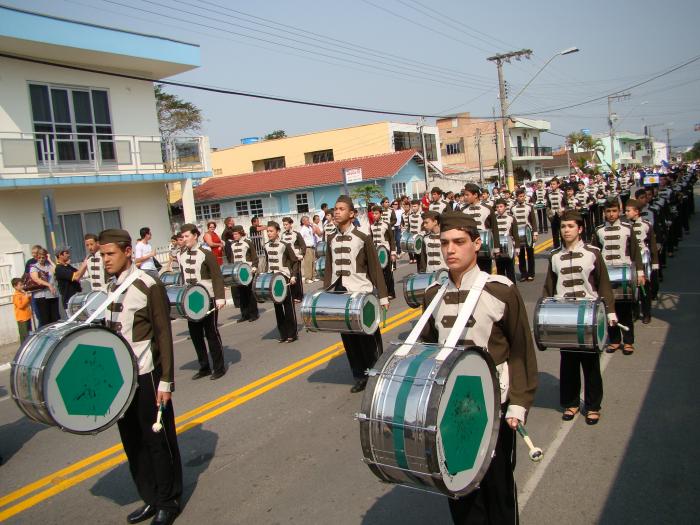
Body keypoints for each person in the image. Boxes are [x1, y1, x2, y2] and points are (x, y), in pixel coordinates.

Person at [419, 212, 538, 525]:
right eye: (444, 243)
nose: (450, 250)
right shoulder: (433, 295)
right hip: (450, 409)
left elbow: (522, 351)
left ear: (476, 243)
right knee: (458, 489)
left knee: (498, 491)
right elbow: (427, 354)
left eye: (459, 242)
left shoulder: (501, 291)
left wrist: (519, 404)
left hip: (494, 407)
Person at [98, 229, 182, 525]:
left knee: (157, 442)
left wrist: (166, 380)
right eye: (102, 255)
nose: (105, 260)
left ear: (127, 252)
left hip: (147, 376)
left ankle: (168, 501)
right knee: (132, 442)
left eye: (110, 254)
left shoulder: (148, 285)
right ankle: (150, 497)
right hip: (119, 381)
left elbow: (163, 335)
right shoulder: (111, 287)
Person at [543, 210, 616, 425]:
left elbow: (603, 283)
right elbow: (548, 286)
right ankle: (571, 402)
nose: (566, 230)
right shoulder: (555, 256)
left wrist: (610, 311)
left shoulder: (593, 253)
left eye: (571, 226)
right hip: (563, 315)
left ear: (580, 229)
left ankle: (593, 405)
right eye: (563, 227)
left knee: (591, 363)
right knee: (568, 362)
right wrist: (544, 316)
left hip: (588, 314)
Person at [324, 195, 389, 393]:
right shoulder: (331, 239)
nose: (336, 212)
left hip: (362, 292)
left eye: (341, 209)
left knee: (368, 337)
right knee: (349, 339)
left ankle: (378, 375)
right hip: (340, 293)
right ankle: (359, 376)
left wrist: (383, 296)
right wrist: (326, 294)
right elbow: (328, 269)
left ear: (352, 214)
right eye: (335, 208)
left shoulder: (363, 238)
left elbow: (375, 268)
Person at [593, 201, 644, 355]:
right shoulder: (599, 231)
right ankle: (615, 340)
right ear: (604, 212)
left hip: (625, 275)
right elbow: (594, 254)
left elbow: (635, 252)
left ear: (619, 211)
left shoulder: (627, 229)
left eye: (614, 211)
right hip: (606, 275)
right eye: (608, 211)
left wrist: (640, 272)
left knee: (625, 308)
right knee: (609, 307)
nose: (611, 214)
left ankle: (628, 341)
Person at [178, 224, 227, 380]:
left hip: (208, 298)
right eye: (183, 237)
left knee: (211, 333)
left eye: (187, 236)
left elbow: (217, 276)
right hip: (190, 301)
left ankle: (219, 367)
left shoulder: (206, 253)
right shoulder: (182, 255)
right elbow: (182, 277)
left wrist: (220, 297)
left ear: (195, 236)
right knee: (195, 334)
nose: (184, 239)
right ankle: (204, 366)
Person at [264, 221, 299, 343]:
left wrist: (294, 276)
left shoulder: (285, 245)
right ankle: (283, 333)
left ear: (277, 231)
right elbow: (267, 263)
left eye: (271, 231)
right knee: (277, 308)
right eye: (267, 231)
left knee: (288, 306)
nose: (269, 233)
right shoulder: (266, 246)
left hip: (284, 278)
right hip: (272, 280)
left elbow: (295, 261)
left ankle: (292, 333)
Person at [625, 199, 659, 325]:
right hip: (631, 260)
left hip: (644, 259)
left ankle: (646, 313)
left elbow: (653, 244)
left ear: (637, 212)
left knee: (645, 288)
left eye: (628, 211)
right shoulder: (626, 226)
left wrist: (655, 263)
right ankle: (634, 312)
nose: (626, 213)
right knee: (632, 288)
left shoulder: (646, 224)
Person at [461, 183, 501, 273]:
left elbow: (494, 228)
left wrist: (496, 247)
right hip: (469, 249)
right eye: (464, 195)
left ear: (475, 195)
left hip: (484, 247)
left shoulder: (487, 209)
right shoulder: (463, 210)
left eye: (467, 195)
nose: (465, 197)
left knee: (485, 274)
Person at [230, 225, 260, 323]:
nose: (234, 236)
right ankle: (244, 314)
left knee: (249, 292)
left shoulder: (248, 242)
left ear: (241, 233)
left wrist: (254, 266)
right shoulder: (232, 245)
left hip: (248, 270)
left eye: (236, 234)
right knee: (241, 294)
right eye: (233, 234)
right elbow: (231, 258)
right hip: (237, 272)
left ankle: (254, 314)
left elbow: (254, 256)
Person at [370, 205, 397, 299]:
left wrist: (393, 253)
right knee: (378, 274)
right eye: (373, 213)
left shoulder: (386, 224)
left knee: (388, 273)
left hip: (385, 251)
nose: (374, 215)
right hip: (376, 252)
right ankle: (382, 292)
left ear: (380, 214)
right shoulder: (372, 226)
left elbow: (392, 239)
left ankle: (391, 292)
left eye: (376, 213)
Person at [511, 188, 538, 281]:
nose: (521, 198)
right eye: (519, 196)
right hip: (518, 234)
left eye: (523, 196)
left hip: (528, 233)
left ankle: (531, 273)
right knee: (520, 254)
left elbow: (533, 221)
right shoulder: (513, 208)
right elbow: (511, 223)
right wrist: (512, 236)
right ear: (516, 197)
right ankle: (523, 274)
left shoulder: (529, 207)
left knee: (530, 254)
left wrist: (535, 233)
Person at [30, 248, 59, 327]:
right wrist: (48, 285)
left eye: (43, 257)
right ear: (37, 257)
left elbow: (57, 270)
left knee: (55, 319)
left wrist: (49, 259)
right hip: (41, 296)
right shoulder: (34, 267)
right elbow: (36, 279)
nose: (41, 259)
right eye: (39, 257)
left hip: (52, 295)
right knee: (45, 320)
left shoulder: (49, 266)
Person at [493, 199, 520, 283]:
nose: (499, 209)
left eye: (501, 207)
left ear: (505, 207)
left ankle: (512, 288)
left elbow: (515, 234)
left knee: (510, 270)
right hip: (498, 247)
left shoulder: (511, 218)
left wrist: (517, 248)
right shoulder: (494, 219)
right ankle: (503, 290)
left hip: (509, 247)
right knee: (500, 270)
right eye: (497, 207)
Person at [281, 217, 306, 302]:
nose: (285, 226)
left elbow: (303, 245)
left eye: (286, 224)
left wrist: (302, 254)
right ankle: (293, 295)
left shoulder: (296, 234)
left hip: (296, 257)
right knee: (289, 275)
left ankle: (299, 296)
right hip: (288, 259)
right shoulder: (282, 235)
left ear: (290, 224)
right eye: (284, 225)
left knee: (297, 276)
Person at [546, 178, 565, 249]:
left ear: (558, 184)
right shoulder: (549, 194)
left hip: (561, 215)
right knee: (554, 233)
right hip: (553, 215)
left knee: (562, 232)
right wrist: (549, 212)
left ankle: (564, 246)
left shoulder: (562, 193)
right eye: (551, 184)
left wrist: (562, 210)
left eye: (553, 184)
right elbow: (548, 205)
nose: (552, 185)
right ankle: (556, 247)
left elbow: (566, 204)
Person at [12, 278, 32, 344]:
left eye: (22, 284)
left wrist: (29, 297)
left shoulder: (23, 293)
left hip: (27, 316)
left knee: (29, 333)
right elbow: (20, 306)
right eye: (20, 285)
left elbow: (27, 303)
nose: (22, 286)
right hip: (22, 319)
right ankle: (24, 349)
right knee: (25, 335)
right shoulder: (16, 296)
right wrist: (26, 297)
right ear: (15, 286)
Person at [299, 216, 317, 284]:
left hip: (312, 247)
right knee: (308, 263)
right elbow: (300, 238)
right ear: (303, 221)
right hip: (307, 248)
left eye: (308, 220)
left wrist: (312, 226)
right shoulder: (303, 229)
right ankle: (307, 278)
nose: (308, 221)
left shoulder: (309, 228)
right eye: (307, 220)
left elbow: (314, 232)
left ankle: (313, 277)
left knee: (313, 262)